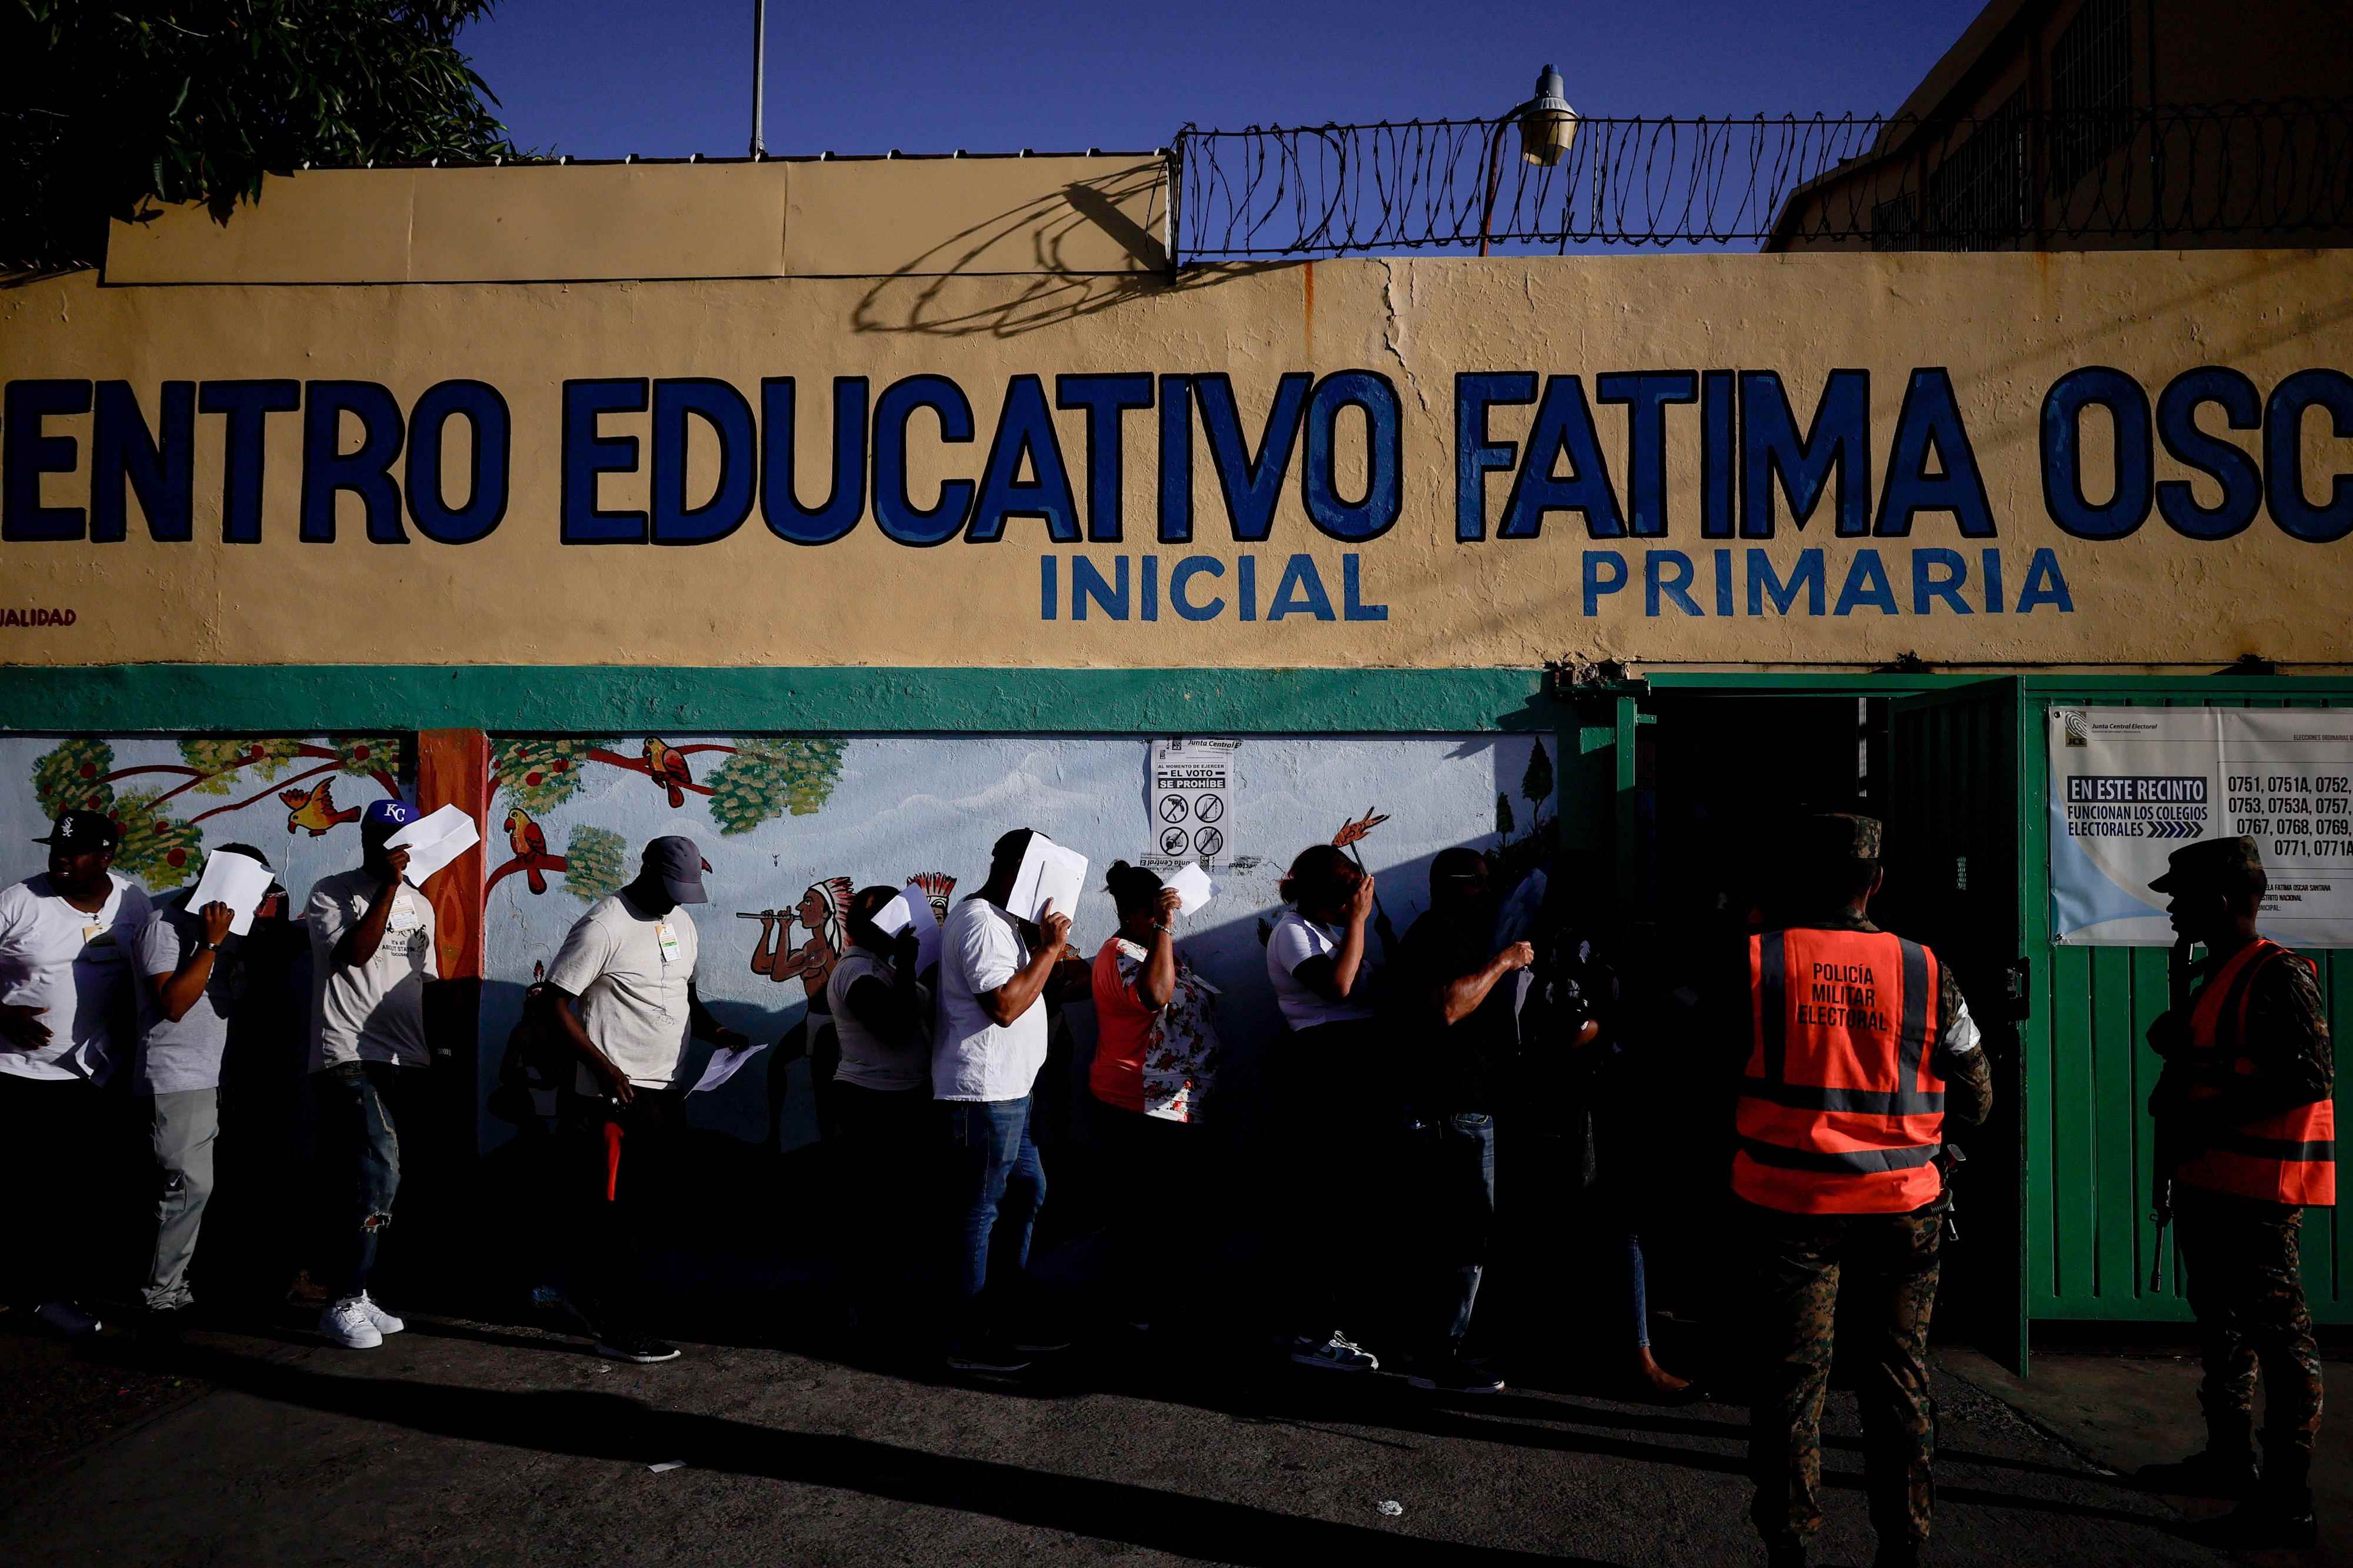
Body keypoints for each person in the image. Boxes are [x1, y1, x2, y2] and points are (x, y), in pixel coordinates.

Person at [1734, 813, 1990, 1568]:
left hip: (1789, 1210)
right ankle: (1905, 1546)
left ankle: (1789, 1548)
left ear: (1803, 880)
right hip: (1903, 1210)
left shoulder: (1757, 961)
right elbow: (1976, 1096)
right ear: (1875, 881)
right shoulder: (1925, 969)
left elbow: (1700, 1074)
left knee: (1791, 1384)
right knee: (1899, 1377)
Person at [2136, 836, 2332, 1550]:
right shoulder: (2215, 972)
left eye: (2181, 898)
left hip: (2253, 1191)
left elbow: (2310, 1075)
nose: (2170, 908)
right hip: (2209, 1181)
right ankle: (2227, 1460)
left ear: (2220, 903)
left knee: (2284, 1345)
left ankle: (2288, 1501)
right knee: (2220, 1328)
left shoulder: (2277, 975)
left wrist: (2206, 1101)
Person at [539, 835, 747, 1363]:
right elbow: (556, 1004)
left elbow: (684, 996)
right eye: (673, 887)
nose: (678, 899)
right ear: (647, 870)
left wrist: (718, 1032)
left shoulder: (680, 923)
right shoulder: (604, 924)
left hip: (666, 1094)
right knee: (617, 1216)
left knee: (649, 1212)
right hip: (614, 1098)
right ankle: (616, 1328)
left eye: (687, 890)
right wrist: (604, 1069)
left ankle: (616, 1308)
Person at [935, 828, 1085, 1373]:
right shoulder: (979, 923)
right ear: (1018, 872)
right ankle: (969, 1339)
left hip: (1012, 1093)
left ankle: (1003, 1316)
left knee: (1027, 1192)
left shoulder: (1005, 925)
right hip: (984, 1095)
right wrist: (1047, 949)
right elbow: (1004, 1005)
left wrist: (1047, 951)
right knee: (979, 1212)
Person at [0, 810, 153, 1335]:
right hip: (22, 1074)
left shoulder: (131, 901)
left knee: (83, 1191)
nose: (62, 859)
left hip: (99, 1074)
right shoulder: (19, 901)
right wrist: (2, 1013)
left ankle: (72, 1289)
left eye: (77, 852)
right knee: (30, 1192)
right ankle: (39, 1296)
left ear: (107, 857)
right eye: (56, 850)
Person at [1391, 848, 1533, 1394]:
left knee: (1451, 1237)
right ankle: (1441, 1357)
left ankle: (1430, 1346)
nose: (1488, 889)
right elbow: (1450, 1006)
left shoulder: (1458, 930)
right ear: (1452, 886)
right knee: (1463, 1241)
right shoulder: (1438, 935)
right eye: (1478, 881)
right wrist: (1503, 963)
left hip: (1462, 1106)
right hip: (1450, 1112)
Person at [304, 799, 443, 1350]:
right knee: (378, 1171)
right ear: (368, 841)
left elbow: (422, 981)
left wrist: (439, 1049)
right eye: (384, 839)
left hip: (405, 1057)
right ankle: (341, 1298)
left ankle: (360, 1294)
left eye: (402, 839)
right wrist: (387, 888)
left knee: (376, 1177)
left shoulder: (422, 905)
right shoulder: (332, 891)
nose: (394, 849)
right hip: (349, 1054)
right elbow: (356, 955)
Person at [131, 842, 281, 1330]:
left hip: (219, 1075)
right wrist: (211, 945)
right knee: (186, 1187)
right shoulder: (166, 925)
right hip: (178, 1076)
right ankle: (160, 1295)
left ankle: (182, 1286)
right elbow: (174, 1003)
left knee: (204, 1188)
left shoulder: (237, 927)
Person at [1264, 842, 1388, 1373]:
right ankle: (1311, 1335)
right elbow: (1338, 989)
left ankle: (1332, 1325)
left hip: (1349, 1071)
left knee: (1347, 1206)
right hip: (1321, 1071)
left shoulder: (1325, 931)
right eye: (1343, 902)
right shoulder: (1293, 933)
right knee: (1323, 1206)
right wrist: (1359, 923)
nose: (1349, 909)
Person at [1088, 860, 1225, 1332]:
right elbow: (1156, 996)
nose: (1172, 918)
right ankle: (1139, 1313)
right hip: (1142, 1104)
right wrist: (1165, 929)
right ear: (1136, 914)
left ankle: (1165, 1307)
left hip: (1178, 1104)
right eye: (1161, 912)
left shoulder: (1153, 948)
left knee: (1174, 1214)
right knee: (1148, 1216)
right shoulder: (1121, 953)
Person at [825, 884, 935, 1330]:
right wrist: (908, 965)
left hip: (897, 1098)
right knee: (874, 1208)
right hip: (873, 1104)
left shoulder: (877, 967)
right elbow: (893, 1026)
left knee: (893, 1207)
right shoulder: (856, 973)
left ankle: (885, 1299)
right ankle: (867, 1307)